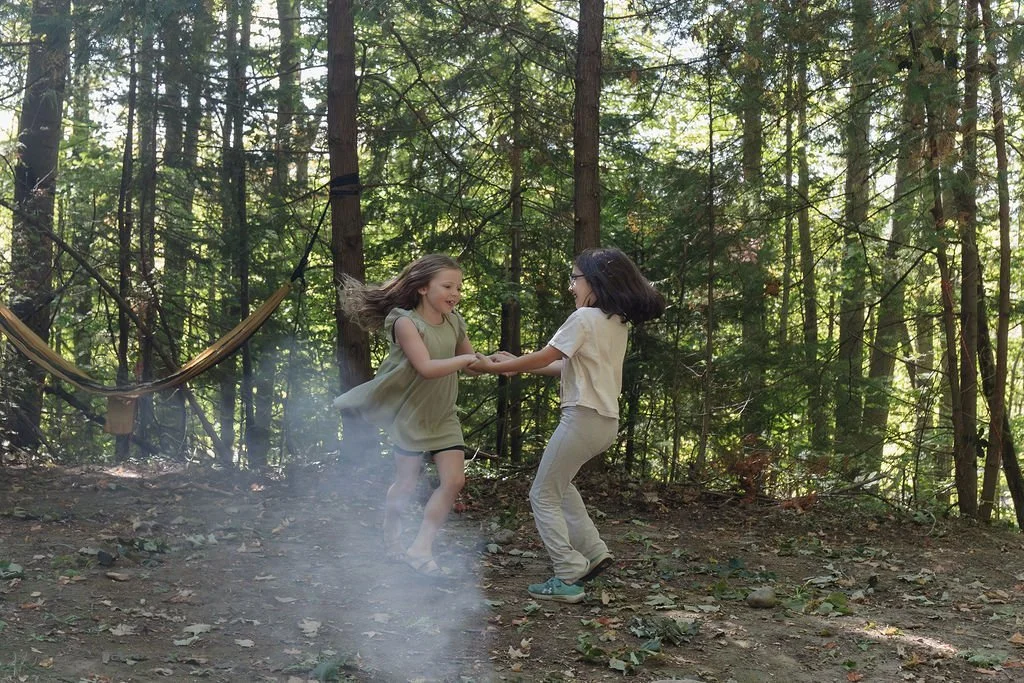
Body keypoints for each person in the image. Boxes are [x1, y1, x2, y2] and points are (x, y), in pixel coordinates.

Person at [475, 247, 665, 602]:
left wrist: (493, 367)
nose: (571, 287)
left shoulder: (583, 319)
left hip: (582, 417)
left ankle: (567, 571)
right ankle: (593, 552)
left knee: (541, 494)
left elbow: (549, 355)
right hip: (605, 422)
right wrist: (516, 364)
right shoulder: (615, 322)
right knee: (559, 487)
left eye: (574, 278)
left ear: (594, 281)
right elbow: (564, 366)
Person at [333, 254, 494, 578]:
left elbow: (472, 364)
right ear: (422, 288)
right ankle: (391, 538)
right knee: (406, 483)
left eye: (459, 288)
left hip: (443, 414)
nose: (455, 293)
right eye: (448, 286)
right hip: (411, 416)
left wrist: (498, 362)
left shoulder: (455, 321)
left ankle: (421, 548)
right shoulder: (405, 322)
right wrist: (467, 361)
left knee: (454, 481)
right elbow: (427, 367)